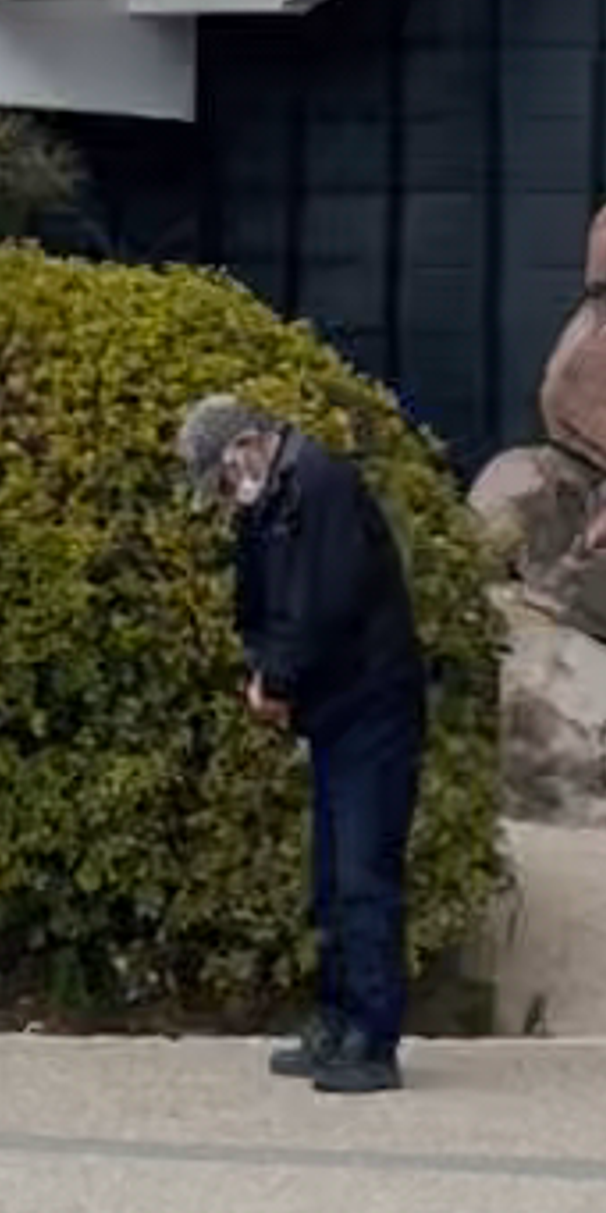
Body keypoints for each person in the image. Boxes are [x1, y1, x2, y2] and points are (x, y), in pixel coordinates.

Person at [175, 391, 426, 1097]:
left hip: (371, 707)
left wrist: (278, 679)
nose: (227, 496)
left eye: (225, 479)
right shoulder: (277, 499)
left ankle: (372, 1039)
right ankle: (336, 1018)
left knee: (363, 875)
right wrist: (262, 667)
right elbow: (267, 600)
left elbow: (324, 605)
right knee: (330, 877)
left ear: (248, 446)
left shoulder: (320, 485)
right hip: (337, 709)